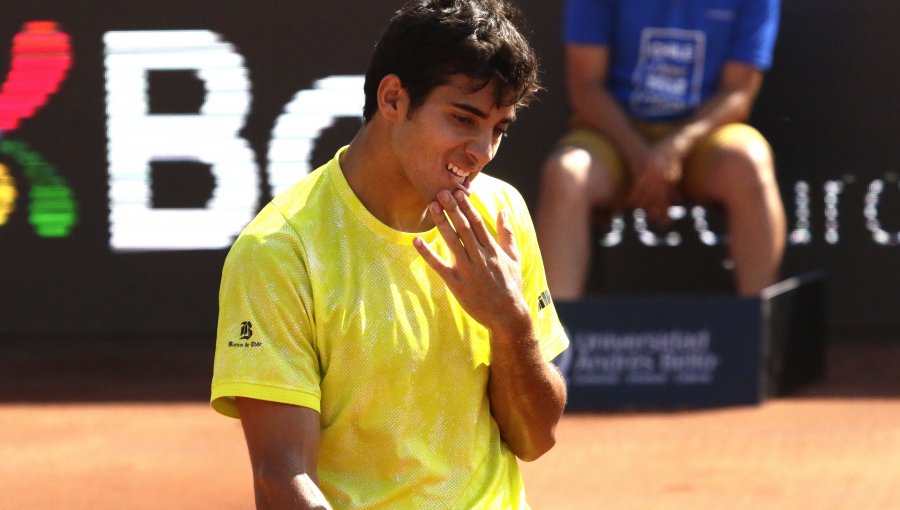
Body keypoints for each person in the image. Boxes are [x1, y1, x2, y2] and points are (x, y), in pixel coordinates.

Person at [210, 0, 569, 507]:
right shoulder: (279, 253)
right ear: (393, 98)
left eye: (499, 128)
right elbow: (280, 479)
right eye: (463, 119)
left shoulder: (501, 215)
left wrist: (511, 324)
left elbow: (536, 438)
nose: (482, 151)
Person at [536, 0, 787, 298]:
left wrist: (676, 147)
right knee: (566, 173)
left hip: (705, 135)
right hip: (613, 134)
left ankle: (763, 330)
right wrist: (641, 156)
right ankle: (549, 340)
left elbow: (739, 92)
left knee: (750, 164)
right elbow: (586, 86)